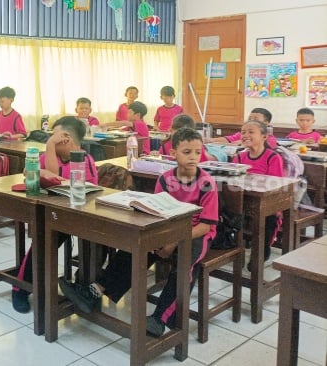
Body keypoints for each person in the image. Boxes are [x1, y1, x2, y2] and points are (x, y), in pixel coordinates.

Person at [59, 128, 218, 337]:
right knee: (136, 247)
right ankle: (93, 292)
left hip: (196, 234)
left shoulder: (207, 183)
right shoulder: (165, 179)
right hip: (166, 229)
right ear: (173, 153)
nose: (193, 157)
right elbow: (157, 212)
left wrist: (172, 243)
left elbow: (206, 226)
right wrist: (160, 240)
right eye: (187, 152)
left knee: (185, 262)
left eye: (198, 152)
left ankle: (161, 318)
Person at [12, 116, 98, 313]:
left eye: (54, 137)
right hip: (54, 216)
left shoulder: (85, 160)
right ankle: (20, 289)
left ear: (66, 139)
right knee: (41, 241)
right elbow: (30, 170)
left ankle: (82, 285)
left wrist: (49, 147)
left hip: (81, 218)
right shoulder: (52, 157)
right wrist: (40, 170)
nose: (50, 141)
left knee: (96, 246)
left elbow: (56, 181)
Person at [232, 120, 283, 266]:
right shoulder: (240, 157)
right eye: (243, 132)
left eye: (251, 132)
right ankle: (230, 246)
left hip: (267, 202)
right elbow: (233, 181)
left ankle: (261, 252)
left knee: (269, 218)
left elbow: (274, 186)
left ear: (264, 137)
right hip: (243, 199)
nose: (246, 135)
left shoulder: (273, 157)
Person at [206, 108, 278, 148]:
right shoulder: (242, 134)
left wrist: (244, 142)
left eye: (255, 119)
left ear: (266, 123)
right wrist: (212, 140)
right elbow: (228, 139)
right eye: (250, 118)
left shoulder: (270, 139)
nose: (251, 121)